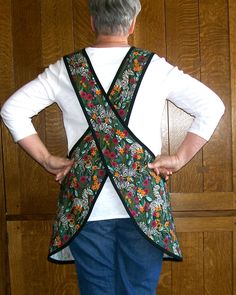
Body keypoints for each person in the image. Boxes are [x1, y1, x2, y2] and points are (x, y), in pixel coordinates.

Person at [0, 0, 225, 294]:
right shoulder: (155, 68)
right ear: (132, 24)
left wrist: (46, 159)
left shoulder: (66, 70)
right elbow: (212, 106)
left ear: (93, 22)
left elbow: (12, 110)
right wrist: (179, 158)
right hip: (144, 203)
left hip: (86, 206)